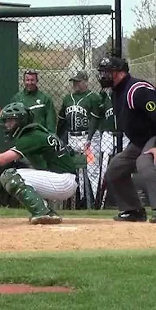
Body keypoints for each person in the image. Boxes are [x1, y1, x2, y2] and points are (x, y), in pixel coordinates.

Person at [97, 56, 156, 223]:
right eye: (102, 72)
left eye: (108, 72)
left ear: (120, 73)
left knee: (145, 162)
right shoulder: (116, 93)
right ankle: (133, 210)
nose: (103, 76)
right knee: (116, 168)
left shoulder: (137, 90)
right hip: (142, 140)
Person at [0, 102, 77, 224]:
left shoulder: (31, 136)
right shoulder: (36, 132)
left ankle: (42, 212)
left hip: (63, 181)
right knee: (20, 173)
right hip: (63, 178)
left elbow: (3, 159)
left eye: (10, 121)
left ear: (21, 121)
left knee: (9, 175)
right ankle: (47, 212)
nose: (7, 125)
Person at [57, 71, 101, 208]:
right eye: (74, 82)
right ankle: (81, 200)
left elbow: (96, 119)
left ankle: (95, 200)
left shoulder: (93, 97)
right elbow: (62, 121)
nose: (75, 84)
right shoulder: (67, 99)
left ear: (86, 82)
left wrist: (89, 138)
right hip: (72, 138)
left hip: (89, 138)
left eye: (78, 81)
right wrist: (59, 138)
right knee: (77, 170)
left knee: (92, 168)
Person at [94, 89, 130, 208]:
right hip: (108, 135)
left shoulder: (126, 94)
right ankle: (100, 203)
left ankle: (126, 202)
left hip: (124, 135)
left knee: (125, 168)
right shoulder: (103, 97)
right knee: (104, 168)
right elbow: (96, 116)